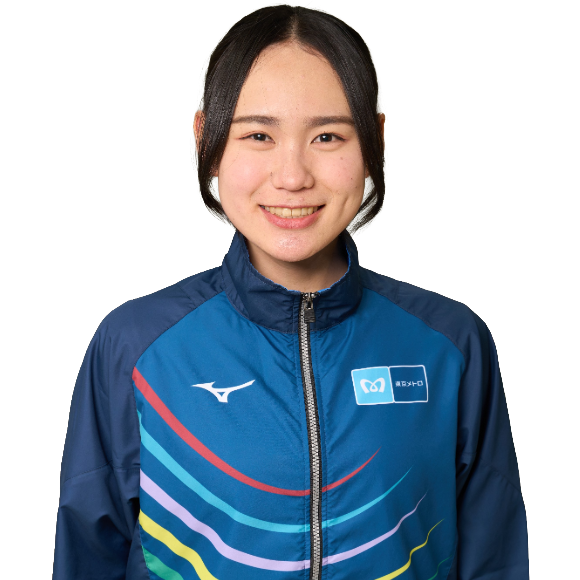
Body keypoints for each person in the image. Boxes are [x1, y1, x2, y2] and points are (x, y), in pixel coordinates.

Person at [54, 4, 528, 579]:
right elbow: (88, 554)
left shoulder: (451, 343)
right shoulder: (135, 346)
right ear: (205, 140)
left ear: (376, 141)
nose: (293, 176)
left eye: (328, 135)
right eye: (259, 135)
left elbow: (495, 560)